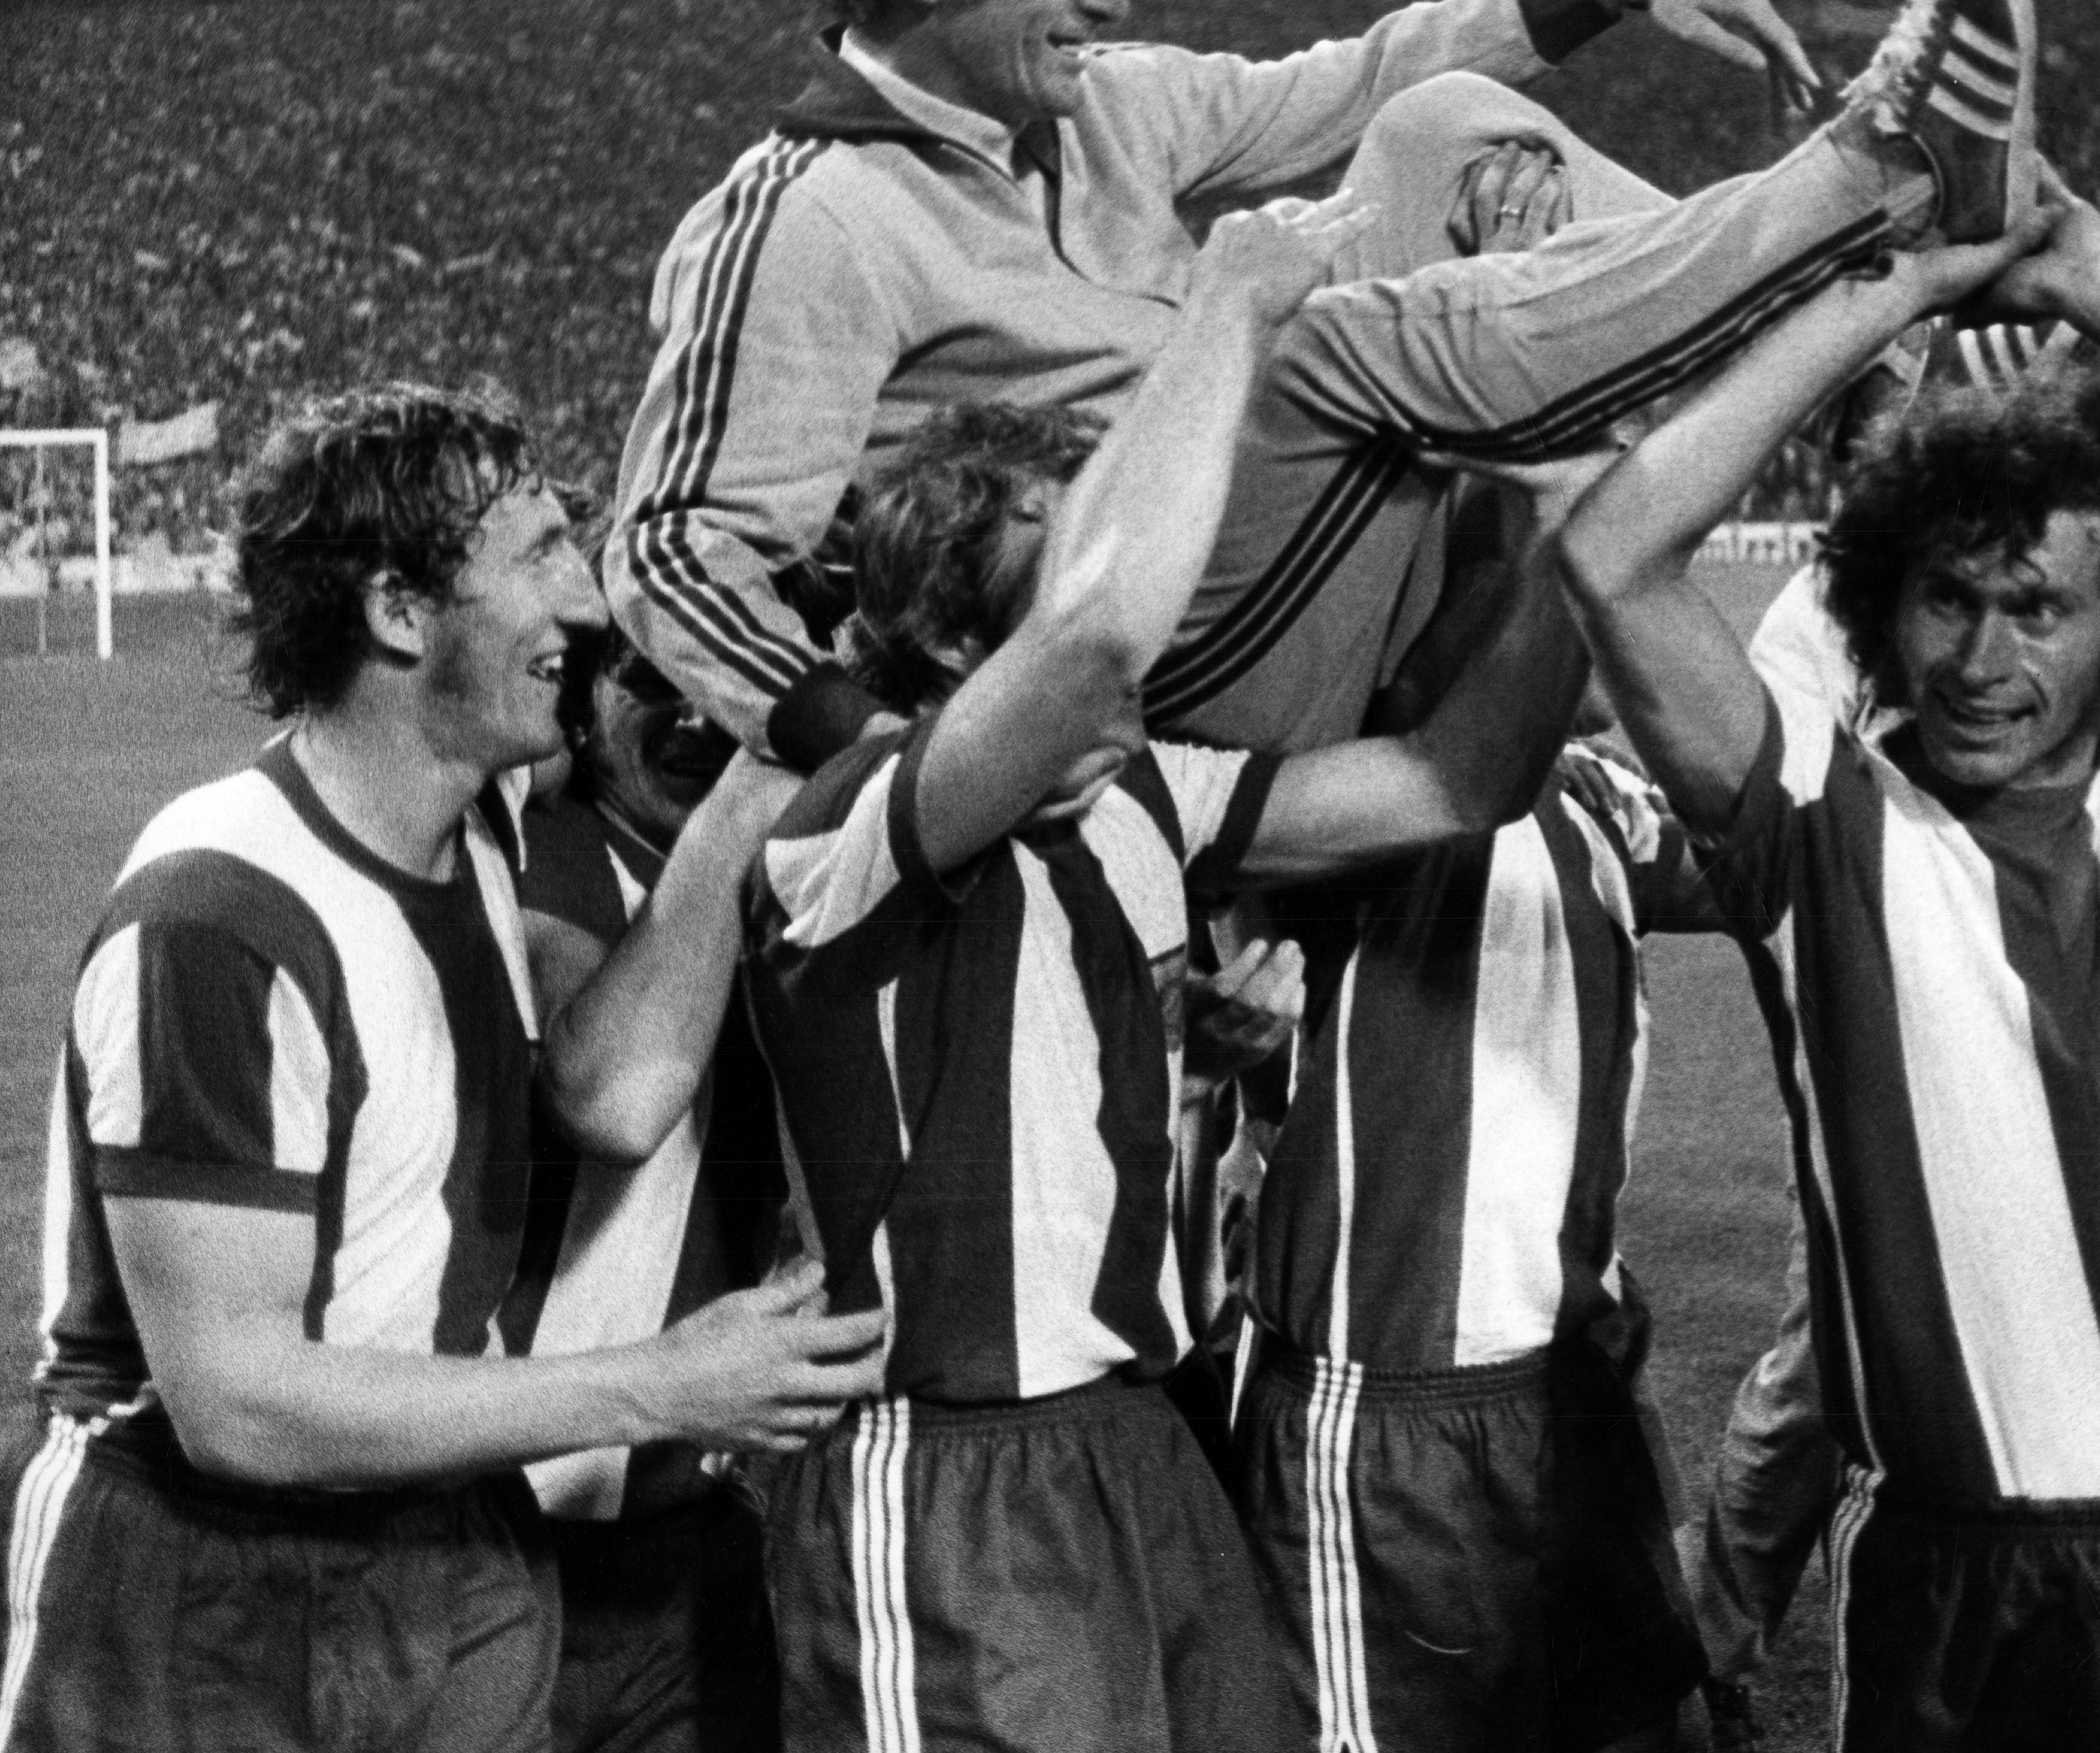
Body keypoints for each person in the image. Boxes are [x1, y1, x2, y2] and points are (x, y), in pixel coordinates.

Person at [607, 0, 2038, 769]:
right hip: (1132, 663)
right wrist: (879, 766)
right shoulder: (809, 217)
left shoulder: (1105, 103)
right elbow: (676, 549)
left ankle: (1867, 363)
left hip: (1284, 570)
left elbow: (1356, 84)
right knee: (1314, 344)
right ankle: (1878, 181)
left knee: (1431, 127)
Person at [1557, 174, 2100, 1748]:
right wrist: (1886, 294)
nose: (1981, 658)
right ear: (1881, 608)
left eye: (2038, 607)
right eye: (1945, 599)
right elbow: (1613, 549)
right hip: (1965, 1596)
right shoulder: (1810, 827)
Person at [738, 200, 1604, 1752]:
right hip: (944, 1474)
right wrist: (1231, 302)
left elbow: (1451, 781)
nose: (1150, 584)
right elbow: (1083, 647)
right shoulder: (853, 820)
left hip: (1139, 1436)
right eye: (1063, 548)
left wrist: (1570, 520)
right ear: (946, 636)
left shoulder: (1150, 792)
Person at [0, 385, 884, 1753]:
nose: (587, 609)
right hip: (204, 1577)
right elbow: (237, 1401)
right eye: (538, 557)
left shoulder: (475, 832)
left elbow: (626, 1088)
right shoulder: (219, 911)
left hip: (448, 1541)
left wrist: (770, 733)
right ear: (399, 612)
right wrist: (664, 1380)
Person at [1231, 703, 1722, 1753]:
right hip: (1386, 1408)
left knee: (1632, 1725)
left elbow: (1748, 871)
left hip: (1570, 1386)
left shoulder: (1591, 794)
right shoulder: (1334, 800)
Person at [499, 629, 787, 1753]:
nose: (698, 714)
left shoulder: (801, 879)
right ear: (582, 699)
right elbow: (613, 1092)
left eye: (731, 679)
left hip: (697, 1535)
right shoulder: (541, 855)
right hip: (508, 1539)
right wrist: (771, 762)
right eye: (650, 679)